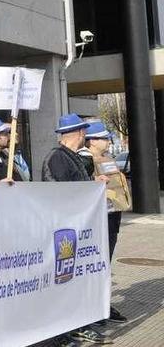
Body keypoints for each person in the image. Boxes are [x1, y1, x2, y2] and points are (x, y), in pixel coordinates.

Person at [42, 113, 111, 346]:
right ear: (80, 133)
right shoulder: (58, 158)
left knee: (72, 280)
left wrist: (93, 185)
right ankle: (61, 330)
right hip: (64, 230)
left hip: (74, 228)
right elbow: (64, 194)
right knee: (63, 279)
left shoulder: (69, 156)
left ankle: (74, 325)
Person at [82, 121, 129, 324]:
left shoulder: (107, 158)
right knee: (96, 265)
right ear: (91, 141)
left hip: (113, 215)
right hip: (98, 219)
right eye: (102, 138)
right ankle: (92, 308)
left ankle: (102, 305)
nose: (107, 141)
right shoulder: (85, 159)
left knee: (105, 263)